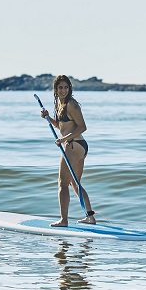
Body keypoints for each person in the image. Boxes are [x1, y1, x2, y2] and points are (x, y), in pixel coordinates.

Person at [40, 75, 95, 227]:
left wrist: (63, 140)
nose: (63, 90)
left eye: (66, 87)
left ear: (70, 88)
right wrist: (48, 118)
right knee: (74, 183)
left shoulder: (71, 104)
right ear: (55, 90)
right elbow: (61, 126)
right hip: (77, 145)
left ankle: (63, 220)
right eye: (60, 88)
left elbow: (82, 126)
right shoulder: (60, 104)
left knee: (62, 184)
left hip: (74, 145)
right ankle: (90, 217)